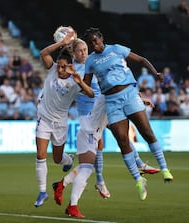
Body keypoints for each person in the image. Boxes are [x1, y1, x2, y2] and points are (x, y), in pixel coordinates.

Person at [52, 39, 160, 218]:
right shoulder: (84, 73)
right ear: (74, 54)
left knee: (118, 139)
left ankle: (63, 186)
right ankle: (75, 202)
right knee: (91, 164)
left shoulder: (95, 69)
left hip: (95, 122)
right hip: (89, 124)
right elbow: (112, 91)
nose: (85, 53)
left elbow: (118, 90)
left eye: (86, 50)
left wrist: (138, 98)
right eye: (80, 51)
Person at [82, 27, 173, 201]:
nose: (94, 44)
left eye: (96, 40)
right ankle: (139, 181)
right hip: (111, 101)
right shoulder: (90, 61)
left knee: (146, 132)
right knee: (123, 141)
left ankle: (164, 168)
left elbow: (141, 59)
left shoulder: (116, 48)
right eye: (91, 42)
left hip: (130, 95)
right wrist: (79, 84)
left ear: (102, 38)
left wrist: (155, 73)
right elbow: (87, 87)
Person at [34, 30, 94, 208]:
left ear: (70, 67)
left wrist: (79, 80)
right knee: (40, 155)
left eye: (63, 67)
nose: (59, 69)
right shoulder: (52, 69)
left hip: (60, 123)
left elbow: (90, 94)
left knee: (58, 159)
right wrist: (62, 43)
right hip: (44, 118)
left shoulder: (75, 82)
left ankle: (67, 160)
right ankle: (43, 191)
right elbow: (43, 53)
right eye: (58, 66)